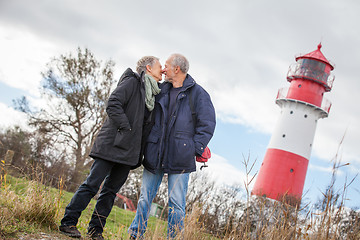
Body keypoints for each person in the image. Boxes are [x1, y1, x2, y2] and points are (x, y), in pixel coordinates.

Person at [59, 56, 163, 240]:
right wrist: (126, 128)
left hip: (129, 153)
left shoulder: (152, 94)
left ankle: (95, 231)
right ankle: (68, 222)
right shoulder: (132, 82)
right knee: (91, 185)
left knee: (109, 192)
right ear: (148, 68)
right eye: (160, 66)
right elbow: (113, 103)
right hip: (112, 144)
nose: (162, 70)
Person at [128, 53, 216, 239]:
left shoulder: (199, 94)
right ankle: (135, 235)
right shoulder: (161, 90)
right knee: (145, 198)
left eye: (166, 65)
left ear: (177, 68)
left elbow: (207, 124)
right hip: (155, 151)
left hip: (180, 156)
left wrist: (192, 148)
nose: (164, 69)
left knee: (176, 203)